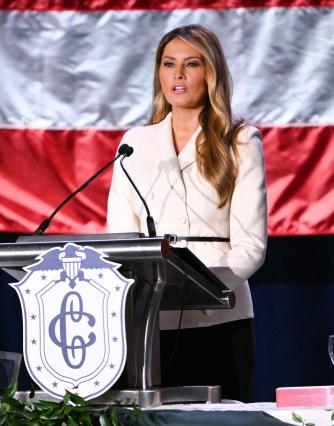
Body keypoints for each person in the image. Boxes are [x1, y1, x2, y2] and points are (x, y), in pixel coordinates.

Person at [107, 24, 267, 401]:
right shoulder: (134, 144)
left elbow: (251, 246)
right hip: (149, 325)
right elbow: (121, 241)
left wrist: (200, 290)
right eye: (168, 64)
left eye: (191, 64)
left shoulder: (239, 139)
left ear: (210, 73)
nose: (177, 75)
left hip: (220, 319)